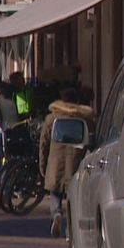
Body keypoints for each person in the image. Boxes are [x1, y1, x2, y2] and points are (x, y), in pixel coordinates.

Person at [39, 88, 94, 238]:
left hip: (55, 161)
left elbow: (43, 143)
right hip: (75, 160)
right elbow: (92, 140)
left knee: (55, 192)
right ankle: (70, 228)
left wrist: (42, 165)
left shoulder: (51, 119)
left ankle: (56, 214)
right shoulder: (85, 119)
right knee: (73, 195)